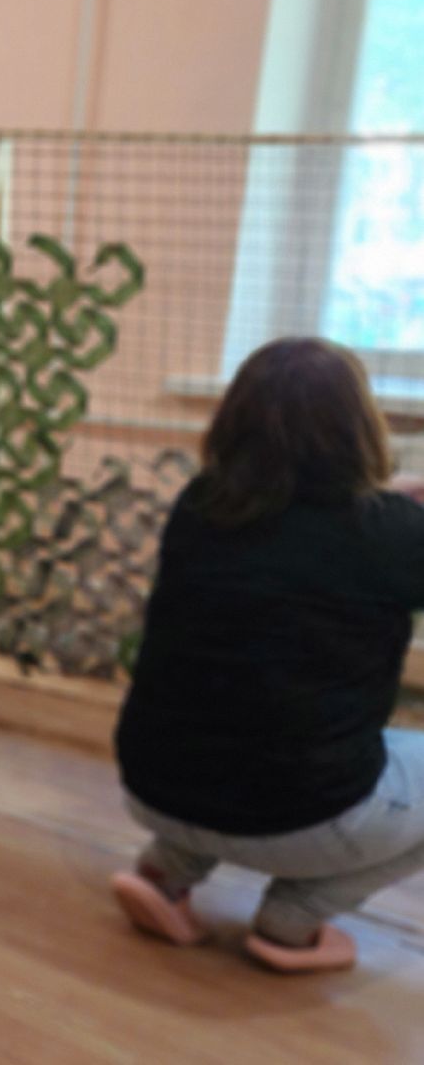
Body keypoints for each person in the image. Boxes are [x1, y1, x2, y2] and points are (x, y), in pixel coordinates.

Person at [111, 336, 424, 973]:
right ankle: (296, 916)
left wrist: (395, 506)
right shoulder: (390, 533)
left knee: (234, 728)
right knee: (305, 754)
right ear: (358, 426)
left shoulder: (199, 504)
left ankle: (164, 871)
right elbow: (351, 533)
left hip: (152, 787)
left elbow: (299, 529)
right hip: (299, 816)